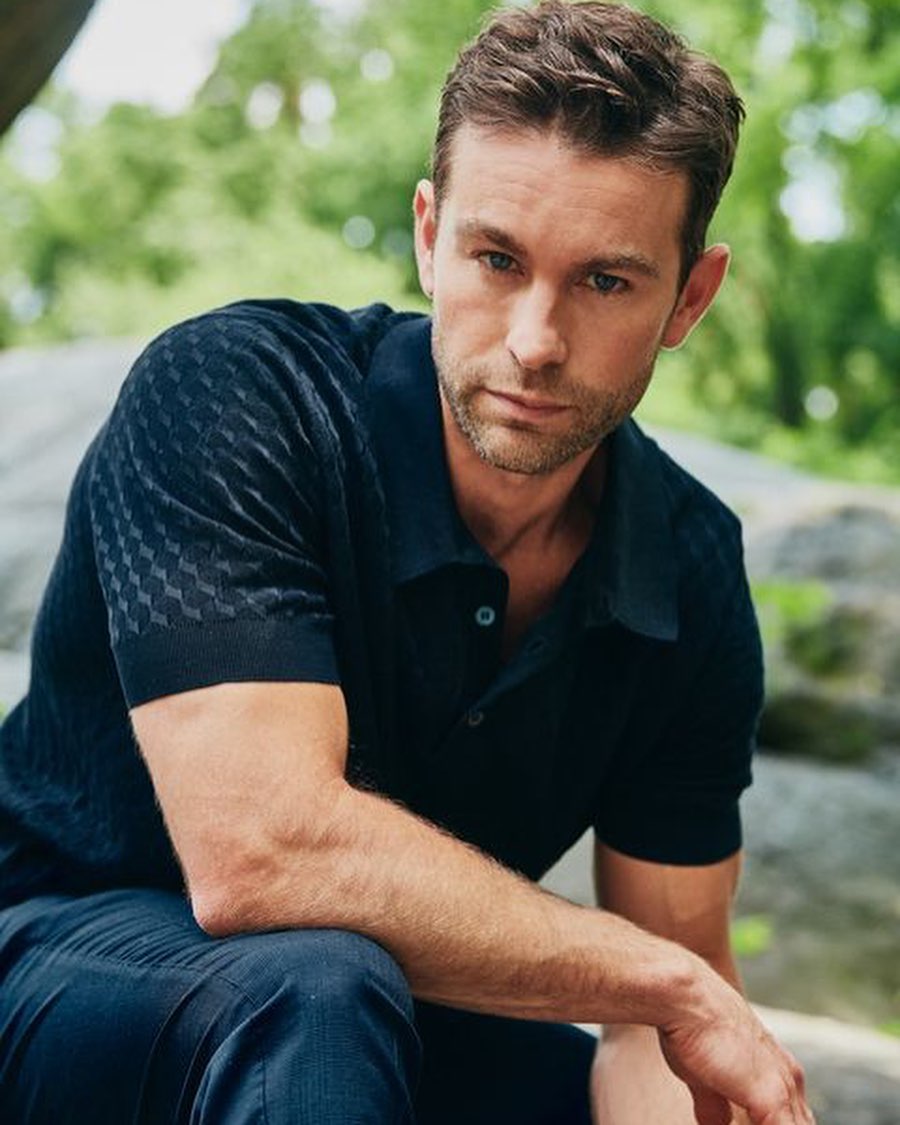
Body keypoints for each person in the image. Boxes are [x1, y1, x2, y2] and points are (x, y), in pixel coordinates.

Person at [0, 2, 814, 1122]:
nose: (534, 340)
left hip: (369, 1018)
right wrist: (661, 979)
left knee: (568, 1083)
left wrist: (678, 1011)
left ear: (691, 296)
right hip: (50, 971)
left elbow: (664, 1024)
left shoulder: (689, 564)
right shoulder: (235, 396)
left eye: (605, 282)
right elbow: (262, 856)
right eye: (497, 258)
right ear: (430, 236)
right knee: (317, 984)